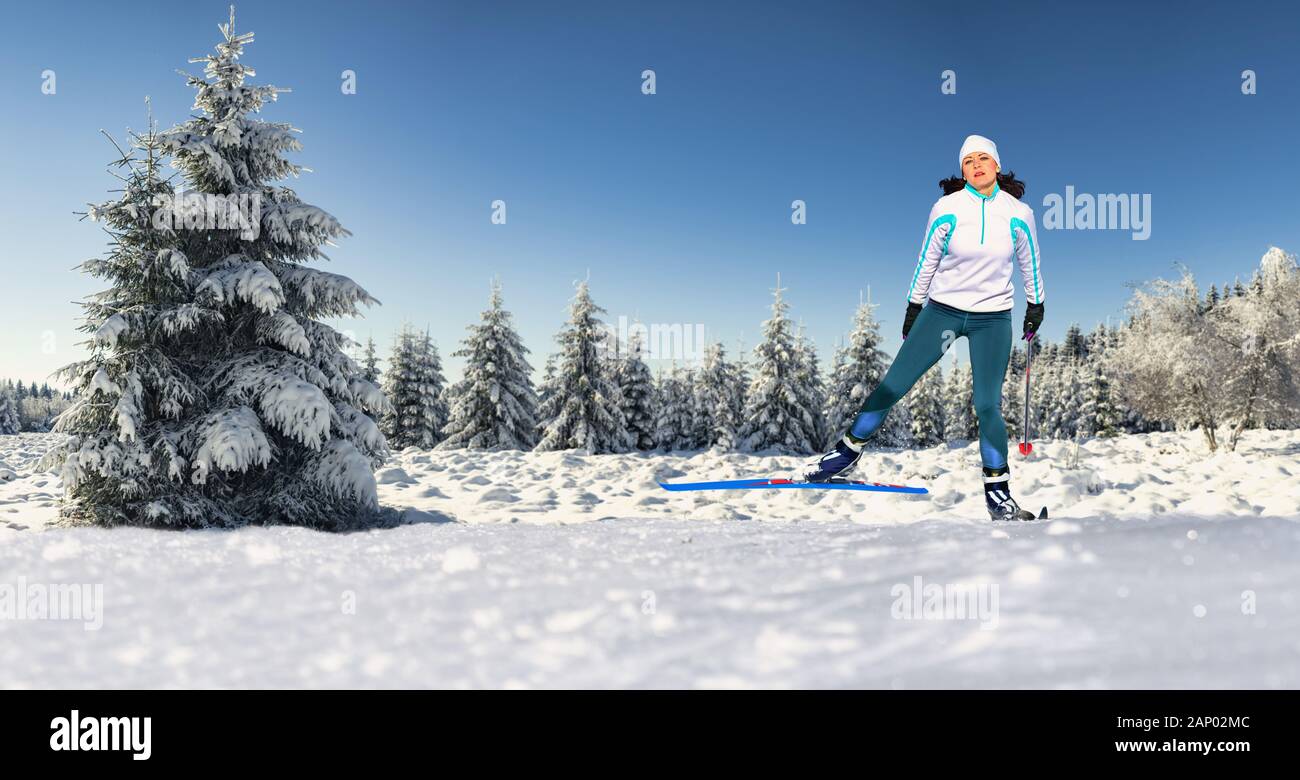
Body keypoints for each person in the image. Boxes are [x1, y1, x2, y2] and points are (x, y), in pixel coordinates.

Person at [805, 134, 1045, 521]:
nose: (977, 165)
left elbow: (1030, 260)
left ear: (997, 166)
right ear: (963, 169)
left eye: (984, 158)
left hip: (993, 317)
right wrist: (914, 305)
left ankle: (998, 494)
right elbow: (927, 259)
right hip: (943, 311)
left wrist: (1036, 303)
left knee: (988, 404)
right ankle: (847, 452)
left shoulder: (1019, 212)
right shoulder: (946, 208)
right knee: (894, 384)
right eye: (969, 161)